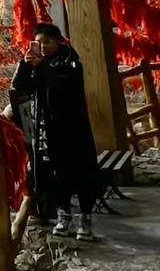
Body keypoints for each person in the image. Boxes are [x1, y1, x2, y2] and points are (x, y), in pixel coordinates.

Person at [9, 20, 103, 239]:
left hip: (73, 131)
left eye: (48, 42)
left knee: (81, 173)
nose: (43, 46)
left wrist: (40, 67)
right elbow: (20, 88)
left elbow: (61, 86)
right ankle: (64, 216)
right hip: (47, 132)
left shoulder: (71, 63)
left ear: (58, 42)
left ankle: (85, 219)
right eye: (39, 42)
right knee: (55, 175)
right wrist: (25, 65)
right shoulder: (38, 64)